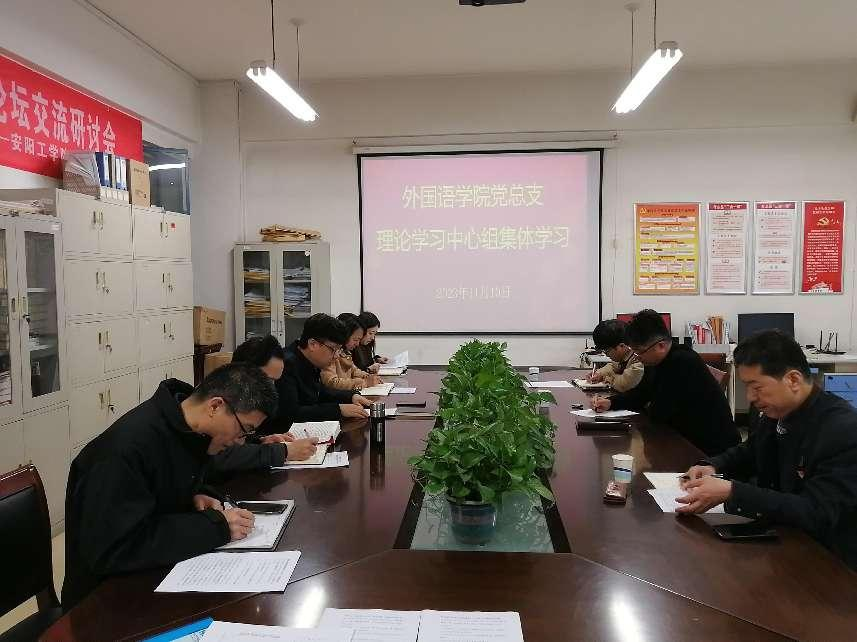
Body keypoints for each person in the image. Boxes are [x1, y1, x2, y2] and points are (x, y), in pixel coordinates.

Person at [62, 364, 278, 609]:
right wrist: (216, 527)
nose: (240, 442)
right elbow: (116, 548)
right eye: (243, 430)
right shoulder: (124, 451)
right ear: (215, 406)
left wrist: (196, 494)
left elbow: (159, 493)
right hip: (103, 603)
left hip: (156, 580)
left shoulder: (189, 433)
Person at [677, 330, 857, 570]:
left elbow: (817, 511)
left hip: (828, 561)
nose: (750, 397)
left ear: (793, 380)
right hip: (780, 539)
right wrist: (712, 465)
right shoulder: (778, 411)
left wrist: (733, 492)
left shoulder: (842, 431)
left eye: (757, 387)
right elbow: (751, 450)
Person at [591, 309, 739, 456]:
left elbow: (659, 413)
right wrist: (611, 402)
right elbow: (642, 393)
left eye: (639, 352)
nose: (637, 357)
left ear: (661, 345)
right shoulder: (655, 360)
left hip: (710, 450)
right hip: (680, 438)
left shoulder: (682, 362)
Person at [211, 335, 318, 472]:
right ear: (242, 372)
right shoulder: (216, 403)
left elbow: (234, 445)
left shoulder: (245, 400)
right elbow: (215, 458)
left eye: (274, 382)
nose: (271, 389)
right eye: (267, 380)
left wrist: (260, 441)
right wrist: (284, 452)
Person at [276, 313, 372, 428]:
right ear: (313, 344)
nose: (336, 356)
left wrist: (351, 396)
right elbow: (291, 413)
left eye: (339, 350)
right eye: (333, 349)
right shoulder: (285, 365)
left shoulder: (308, 359)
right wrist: (337, 410)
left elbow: (319, 391)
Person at [321, 313, 383, 391]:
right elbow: (332, 382)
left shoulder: (346, 352)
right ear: (345, 336)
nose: (357, 344)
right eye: (355, 340)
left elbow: (354, 371)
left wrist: (368, 376)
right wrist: (364, 383)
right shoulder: (331, 353)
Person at [588, 319, 644, 392]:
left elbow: (623, 384)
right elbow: (612, 366)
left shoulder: (639, 359)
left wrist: (606, 378)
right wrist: (599, 374)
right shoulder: (624, 356)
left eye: (607, 351)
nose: (606, 355)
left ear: (622, 346)